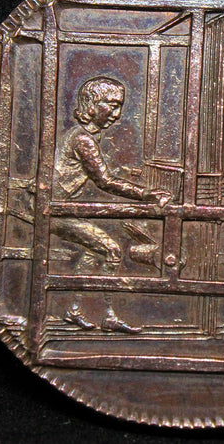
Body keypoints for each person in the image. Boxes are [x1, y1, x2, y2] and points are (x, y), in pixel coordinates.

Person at [54, 76, 171, 333]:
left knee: (95, 249)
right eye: (112, 105)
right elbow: (104, 181)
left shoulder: (81, 136)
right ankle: (107, 315)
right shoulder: (83, 139)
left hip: (60, 208)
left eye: (119, 107)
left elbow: (97, 173)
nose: (117, 115)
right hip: (54, 211)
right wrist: (147, 194)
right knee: (112, 250)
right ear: (92, 104)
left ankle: (75, 309)